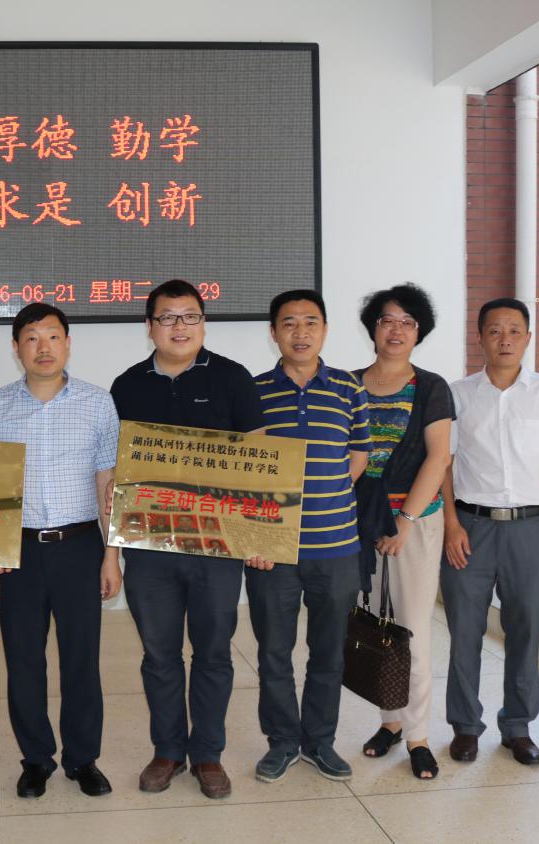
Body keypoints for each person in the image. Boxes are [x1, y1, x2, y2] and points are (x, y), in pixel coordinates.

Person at [109, 279, 264, 800]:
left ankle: (209, 754)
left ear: (203, 322)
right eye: (168, 317)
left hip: (217, 546)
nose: (180, 326)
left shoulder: (233, 378)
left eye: (190, 316)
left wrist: (259, 534)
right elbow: (118, 469)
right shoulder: (127, 385)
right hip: (150, 546)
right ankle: (168, 750)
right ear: (149, 325)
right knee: (159, 653)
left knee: (214, 651)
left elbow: (258, 460)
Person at [0, 303, 122, 800]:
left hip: (79, 546)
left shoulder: (97, 403)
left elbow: (108, 482)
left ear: (68, 343)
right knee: (23, 661)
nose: (43, 347)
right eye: (32, 337)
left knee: (81, 659)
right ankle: (36, 759)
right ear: (16, 347)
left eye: (53, 336)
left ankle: (83, 759)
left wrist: (111, 555)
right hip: (17, 550)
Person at [441, 298, 539, 766]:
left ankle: (518, 727)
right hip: (470, 528)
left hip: (531, 530)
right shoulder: (457, 395)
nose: (505, 339)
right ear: (480, 337)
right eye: (495, 330)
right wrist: (449, 524)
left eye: (514, 331)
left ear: (527, 337)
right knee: (464, 631)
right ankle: (465, 726)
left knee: (525, 631)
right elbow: (443, 464)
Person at [244, 290, 371, 784]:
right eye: (289, 323)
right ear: (273, 332)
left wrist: (325, 497)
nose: (300, 332)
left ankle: (320, 741)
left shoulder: (348, 388)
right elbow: (243, 472)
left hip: (336, 547)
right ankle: (282, 742)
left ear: (325, 330)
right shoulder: (253, 391)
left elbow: (357, 457)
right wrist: (258, 534)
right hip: (272, 551)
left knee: (329, 651)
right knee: (273, 652)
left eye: (310, 322)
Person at [353, 284, 454, 780]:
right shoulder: (348, 384)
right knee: (375, 625)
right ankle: (389, 722)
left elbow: (439, 458)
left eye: (407, 322)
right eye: (387, 320)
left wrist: (405, 521)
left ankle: (417, 737)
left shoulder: (431, 387)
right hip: (357, 521)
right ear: (373, 327)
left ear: (419, 332)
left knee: (411, 629)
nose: (396, 330)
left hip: (413, 519)